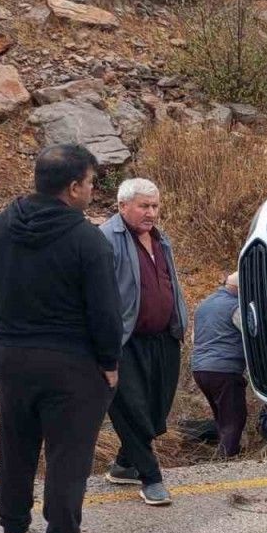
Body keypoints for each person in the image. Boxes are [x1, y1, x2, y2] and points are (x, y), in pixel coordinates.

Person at [0, 144, 122, 533]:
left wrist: (7, 338)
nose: (92, 190)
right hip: (72, 363)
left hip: (13, 355)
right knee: (68, 457)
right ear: (73, 187)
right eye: (90, 182)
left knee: (15, 446)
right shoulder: (87, 240)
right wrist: (109, 362)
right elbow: (105, 312)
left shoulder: (0, 227)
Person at [98, 178, 187, 507]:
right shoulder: (105, 239)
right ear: (123, 206)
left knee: (155, 410)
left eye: (155, 206)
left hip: (163, 339)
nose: (151, 212)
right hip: (125, 342)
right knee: (131, 409)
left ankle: (124, 465)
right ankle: (151, 478)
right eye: (144, 206)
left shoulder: (161, 239)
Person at [192, 272, 247, 459]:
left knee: (222, 416)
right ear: (239, 288)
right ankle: (227, 459)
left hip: (200, 369)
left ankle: (224, 453)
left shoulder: (203, 305)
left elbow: (194, 338)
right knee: (234, 417)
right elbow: (251, 333)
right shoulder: (235, 307)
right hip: (224, 369)